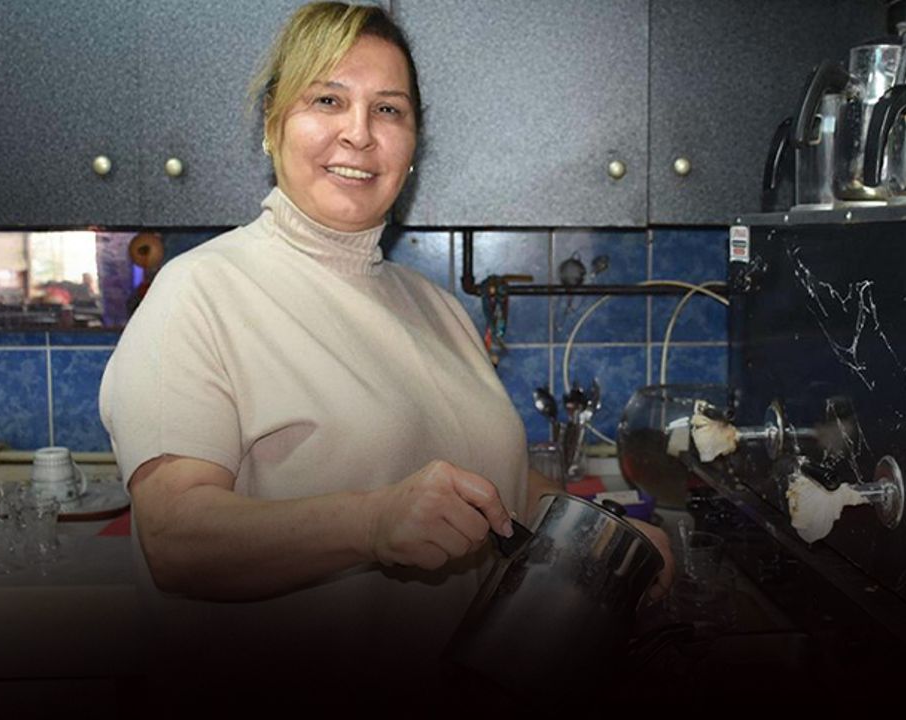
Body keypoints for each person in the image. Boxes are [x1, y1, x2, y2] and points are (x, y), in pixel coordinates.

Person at [98, 1, 672, 696]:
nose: (359, 133)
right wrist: (372, 523)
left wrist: (607, 539)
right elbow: (176, 539)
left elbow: (502, 489)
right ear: (273, 124)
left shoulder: (435, 307)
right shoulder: (200, 292)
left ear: (413, 145)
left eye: (389, 110)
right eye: (327, 100)